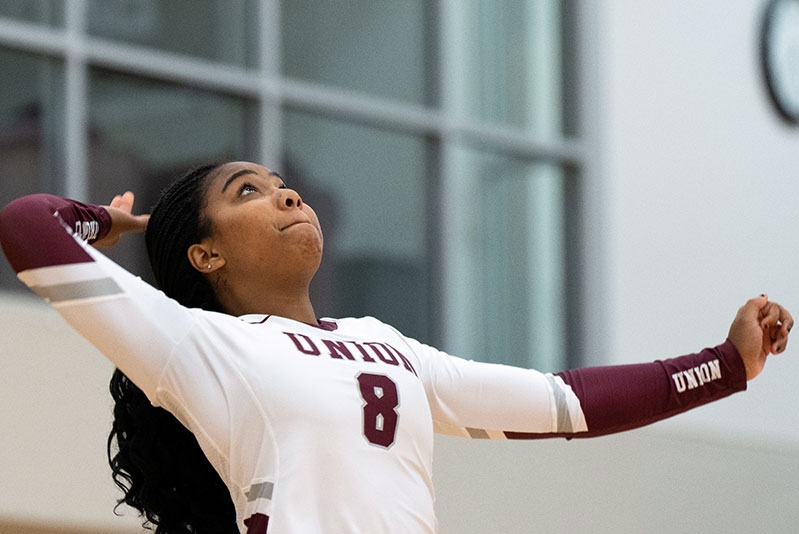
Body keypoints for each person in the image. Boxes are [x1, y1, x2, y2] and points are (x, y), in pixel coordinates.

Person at [0, 161, 792, 534]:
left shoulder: (389, 348)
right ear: (205, 256)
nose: (285, 192)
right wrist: (117, 223)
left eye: (284, 183)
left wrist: (725, 366)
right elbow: (28, 226)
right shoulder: (197, 345)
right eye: (246, 191)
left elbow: (567, 402)